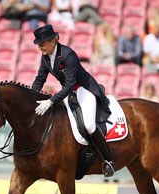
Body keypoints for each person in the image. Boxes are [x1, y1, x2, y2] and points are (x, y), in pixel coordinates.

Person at [31, 24, 115, 177]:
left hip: (84, 89)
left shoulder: (68, 54)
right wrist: (31, 96)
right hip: (71, 93)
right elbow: (39, 80)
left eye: (42, 44)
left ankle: (108, 161)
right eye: (38, 44)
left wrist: (50, 101)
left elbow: (70, 84)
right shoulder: (45, 57)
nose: (39, 47)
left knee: (89, 125)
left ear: (52, 41)